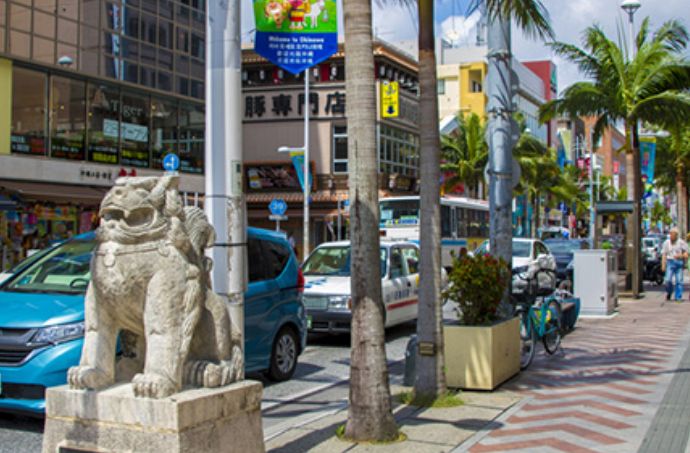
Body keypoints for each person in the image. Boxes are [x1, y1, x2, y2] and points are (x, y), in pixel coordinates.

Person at [661, 228, 688, 301]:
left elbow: (686, 254)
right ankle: (669, 292)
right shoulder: (666, 243)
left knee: (679, 281)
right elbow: (664, 254)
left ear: (676, 235)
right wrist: (663, 265)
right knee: (667, 280)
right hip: (670, 262)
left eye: (673, 234)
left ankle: (678, 297)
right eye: (670, 234)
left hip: (679, 263)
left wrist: (681, 256)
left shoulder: (681, 243)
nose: (671, 236)